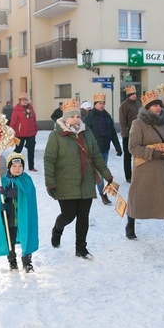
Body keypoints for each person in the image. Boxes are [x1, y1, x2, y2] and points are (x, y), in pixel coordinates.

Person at [45, 98, 114, 259]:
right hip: (65, 183)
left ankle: (81, 248)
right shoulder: (56, 136)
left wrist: (107, 175)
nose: (75, 120)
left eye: (77, 116)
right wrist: (50, 183)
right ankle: (57, 230)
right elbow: (49, 160)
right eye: (71, 116)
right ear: (64, 118)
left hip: (86, 181)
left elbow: (96, 156)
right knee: (68, 215)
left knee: (83, 216)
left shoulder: (87, 133)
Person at [125, 90, 164, 246]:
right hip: (144, 168)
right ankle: (130, 224)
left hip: (162, 168)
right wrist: (154, 153)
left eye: (159, 105)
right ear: (147, 108)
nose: (158, 108)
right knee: (138, 198)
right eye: (154, 106)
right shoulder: (138, 123)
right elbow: (133, 147)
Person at [0, 152, 39, 272]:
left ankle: (27, 262)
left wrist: (8, 192)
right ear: (9, 167)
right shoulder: (3, 181)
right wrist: (1, 206)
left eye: (20, 166)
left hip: (23, 217)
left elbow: (26, 195)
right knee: (9, 241)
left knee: (27, 237)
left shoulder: (26, 180)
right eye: (14, 166)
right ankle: (12, 261)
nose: (17, 169)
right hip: (10, 217)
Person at [83, 92, 122, 204]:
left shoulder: (107, 116)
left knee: (102, 172)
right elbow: (84, 134)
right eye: (100, 103)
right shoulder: (89, 117)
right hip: (93, 150)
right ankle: (100, 193)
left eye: (103, 103)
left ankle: (101, 192)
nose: (102, 105)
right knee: (97, 173)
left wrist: (118, 147)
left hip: (105, 149)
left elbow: (113, 133)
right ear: (95, 104)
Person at [10, 93, 39, 171]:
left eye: (26, 100)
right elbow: (13, 121)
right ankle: (12, 164)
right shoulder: (16, 109)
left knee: (31, 149)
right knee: (18, 150)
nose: (25, 101)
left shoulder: (30, 108)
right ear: (20, 101)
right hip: (19, 134)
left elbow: (33, 119)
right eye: (23, 100)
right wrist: (11, 130)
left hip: (31, 133)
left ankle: (31, 166)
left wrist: (35, 129)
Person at [118, 86, 141, 183]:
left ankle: (138, 174)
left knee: (138, 155)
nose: (134, 96)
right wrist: (125, 134)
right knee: (127, 156)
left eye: (135, 94)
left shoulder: (139, 104)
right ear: (129, 96)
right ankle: (128, 176)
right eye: (132, 94)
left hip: (138, 133)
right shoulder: (124, 106)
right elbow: (122, 121)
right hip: (128, 134)